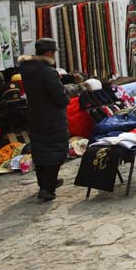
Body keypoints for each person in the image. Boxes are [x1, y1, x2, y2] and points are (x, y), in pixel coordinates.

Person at [18, 38, 82, 202]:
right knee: (56, 150)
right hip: (52, 117)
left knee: (40, 148)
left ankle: (45, 183)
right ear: (49, 53)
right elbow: (60, 96)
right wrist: (74, 88)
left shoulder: (27, 69)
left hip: (35, 115)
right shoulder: (47, 71)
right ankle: (47, 188)